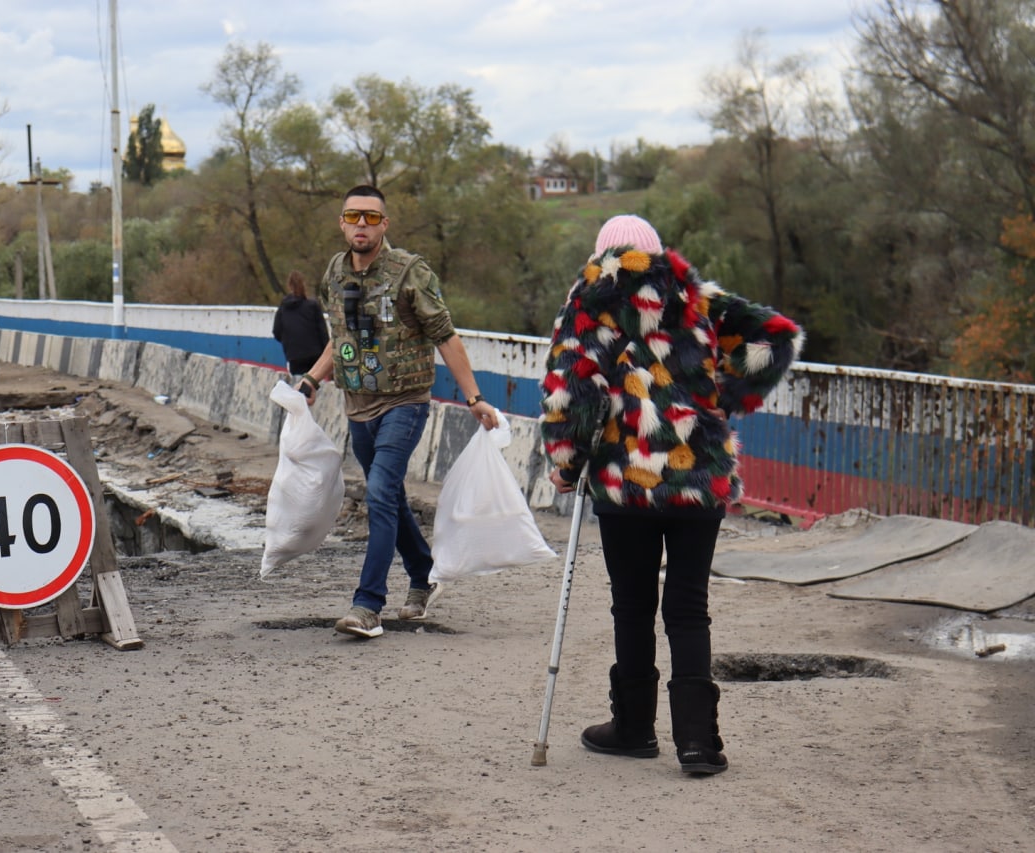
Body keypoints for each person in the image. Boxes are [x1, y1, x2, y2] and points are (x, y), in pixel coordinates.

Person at [539, 214, 803, 775]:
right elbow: (776, 336)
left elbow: (574, 386)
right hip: (699, 474)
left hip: (625, 480)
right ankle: (697, 743)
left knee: (632, 605)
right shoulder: (699, 300)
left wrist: (566, 461)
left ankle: (634, 728)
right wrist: (723, 399)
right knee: (688, 608)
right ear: (658, 253)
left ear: (603, 254)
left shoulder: (590, 301)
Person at [297, 185, 499, 639]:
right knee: (390, 497)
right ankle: (424, 574)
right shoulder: (334, 271)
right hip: (358, 406)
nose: (362, 225)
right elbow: (341, 337)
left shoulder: (410, 272)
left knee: (380, 494)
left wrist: (473, 398)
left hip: (404, 403)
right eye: (354, 217)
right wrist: (311, 379)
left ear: (385, 224)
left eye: (371, 217)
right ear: (342, 223)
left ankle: (367, 606)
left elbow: (445, 335)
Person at [272, 270, 330, 380]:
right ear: (304, 284)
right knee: (315, 384)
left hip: (294, 356)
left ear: (289, 286)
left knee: (298, 386)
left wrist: (289, 341)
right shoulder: (312, 306)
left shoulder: (284, 307)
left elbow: (276, 331)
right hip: (315, 354)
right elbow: (323, 333)